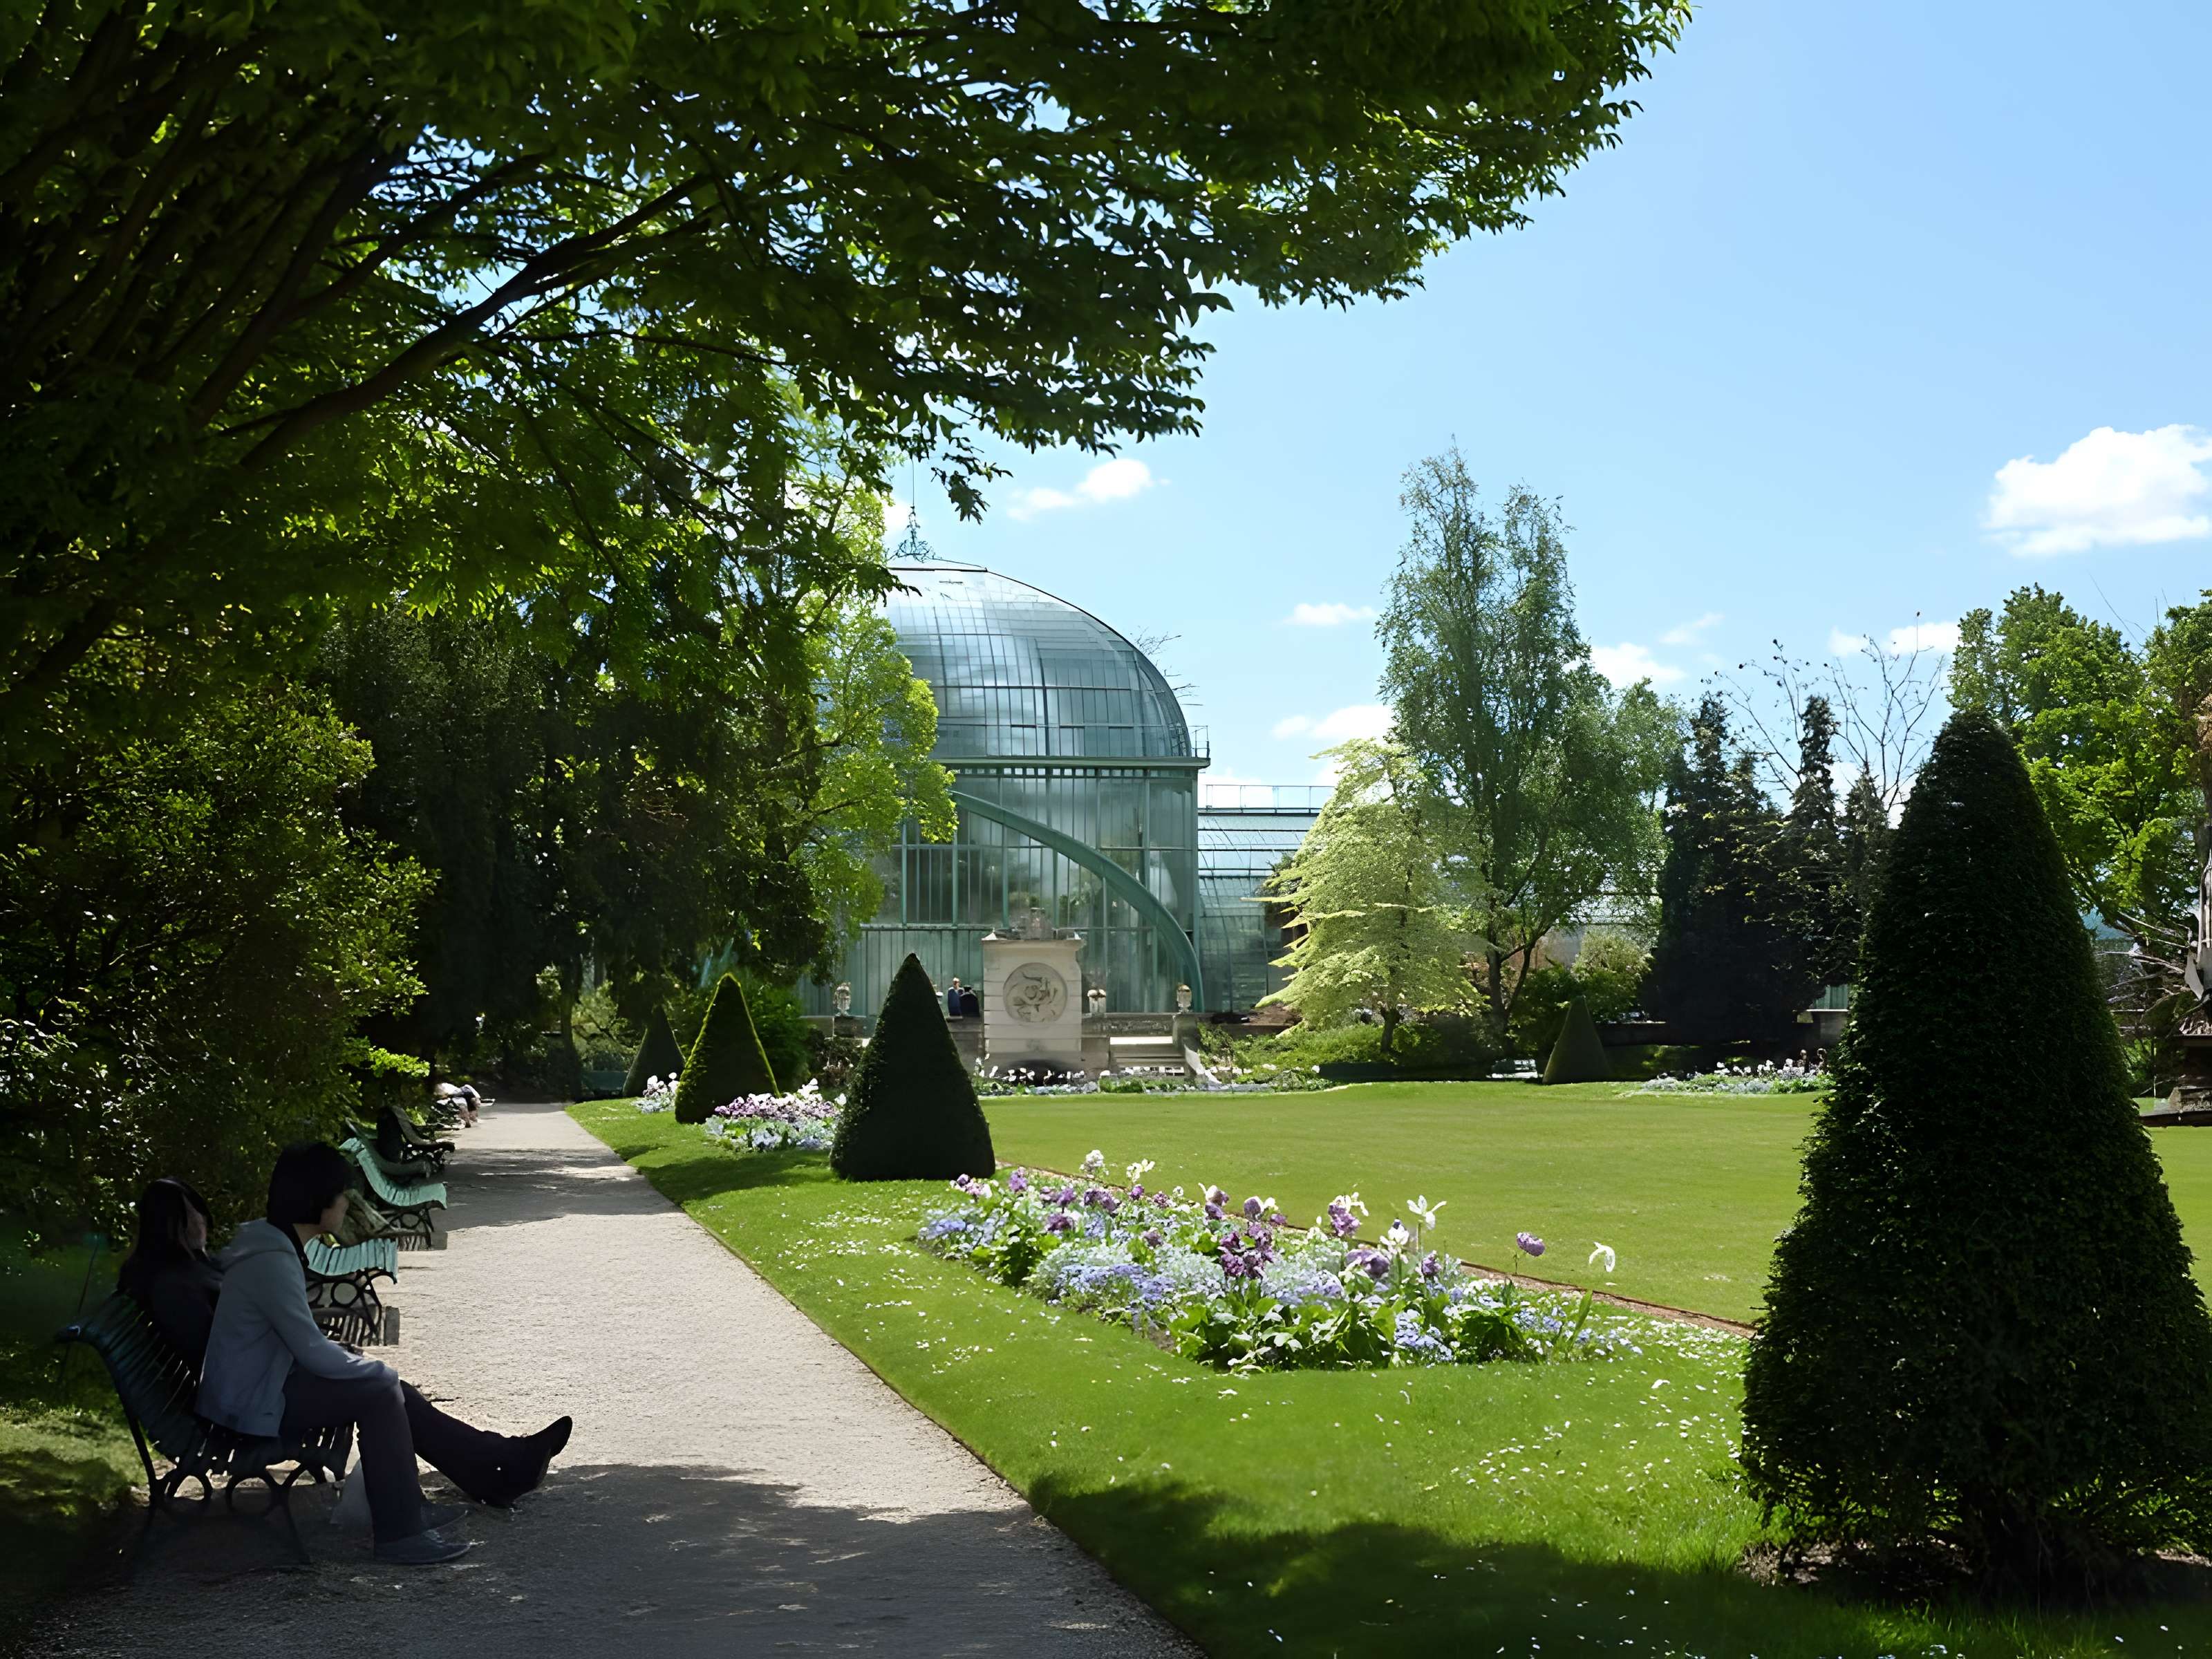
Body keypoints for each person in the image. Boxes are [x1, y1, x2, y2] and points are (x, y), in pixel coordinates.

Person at [195, 1145, 572, 1564]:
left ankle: (495, 1469)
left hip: (260, 1389)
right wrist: (374, 1369)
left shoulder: (272, 1248)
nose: (346, 1204)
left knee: (392, 1389)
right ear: (319, 1201)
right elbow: (312, 1351)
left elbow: (299, 1343)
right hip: (249, 1407)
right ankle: (401, 1532)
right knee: (380, 1390)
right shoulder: (270, 1262)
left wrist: (369, 1369)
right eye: (342, 1195)